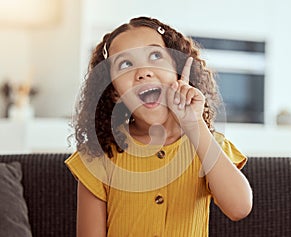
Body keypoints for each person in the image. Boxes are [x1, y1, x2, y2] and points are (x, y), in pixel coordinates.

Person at [65, 16, 252, 237]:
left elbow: (239, 208)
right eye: (125, 64)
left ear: (178, 69)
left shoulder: (207, 144)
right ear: (114, 92)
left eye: (155, 56)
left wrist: (194, 125)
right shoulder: (99, 155)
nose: (143, 72)